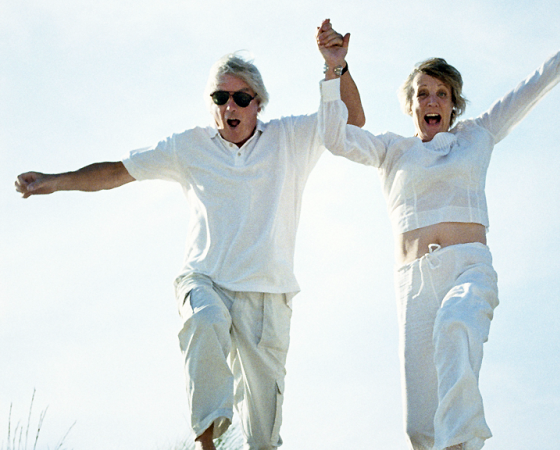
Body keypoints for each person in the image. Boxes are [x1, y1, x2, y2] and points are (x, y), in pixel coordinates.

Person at [15, 20, 364, 450]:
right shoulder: (189, 147)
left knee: (263, 436)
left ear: (258, 103)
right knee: (205, 319)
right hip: (206, 279)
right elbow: (117, 172)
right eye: (220, 98)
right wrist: (53, 181)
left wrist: (336, 67)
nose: (230, 106)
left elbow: (352, 122)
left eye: (241, 98)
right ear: (212, 104)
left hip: (267, 294)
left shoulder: (290, 138)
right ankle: (206, 442)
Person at [317, 5, 560, 450]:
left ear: (454, 104)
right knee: (420, 425)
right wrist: (333, 68)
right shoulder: (392, 150)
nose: (432, 101)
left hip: (468, 268)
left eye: (441, 93)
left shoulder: (477, 135)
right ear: (411, 105)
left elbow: (531, 87)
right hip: (414, 283)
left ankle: (463, 444)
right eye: (422, 94)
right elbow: (335, 137)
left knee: (456, 326)